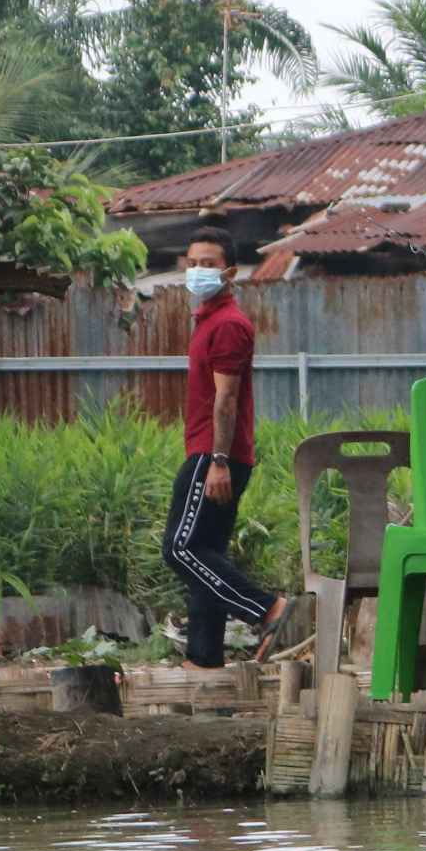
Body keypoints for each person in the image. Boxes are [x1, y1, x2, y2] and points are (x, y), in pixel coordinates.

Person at [163, 225, 289, 667]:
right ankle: (203, 659)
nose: (198, 270)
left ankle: (267, 608)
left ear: (230, 272)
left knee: (180, 549)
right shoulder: (209, 320)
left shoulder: (230, 325)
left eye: (209, 264)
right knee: (207, 552)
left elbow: (227, 400)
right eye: (193, 263)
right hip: (213, 453)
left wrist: (217, 461)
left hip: (214, 455)